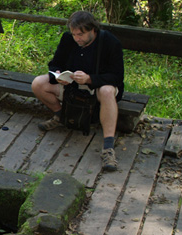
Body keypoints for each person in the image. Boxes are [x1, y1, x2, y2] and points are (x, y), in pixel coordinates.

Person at [31, 11, 124, 172]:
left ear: (92, 30)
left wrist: (90, 79)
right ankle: (61, 116)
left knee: (108, 91)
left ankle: (108, 147)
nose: (76, 38)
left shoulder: (109, 41)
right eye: (74, 34)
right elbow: (54, 64)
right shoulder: (68, 39)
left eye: (80, 34)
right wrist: (58, 75)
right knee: (38, 83)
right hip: (72, 86)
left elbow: (117, 76)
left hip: (98, 87)